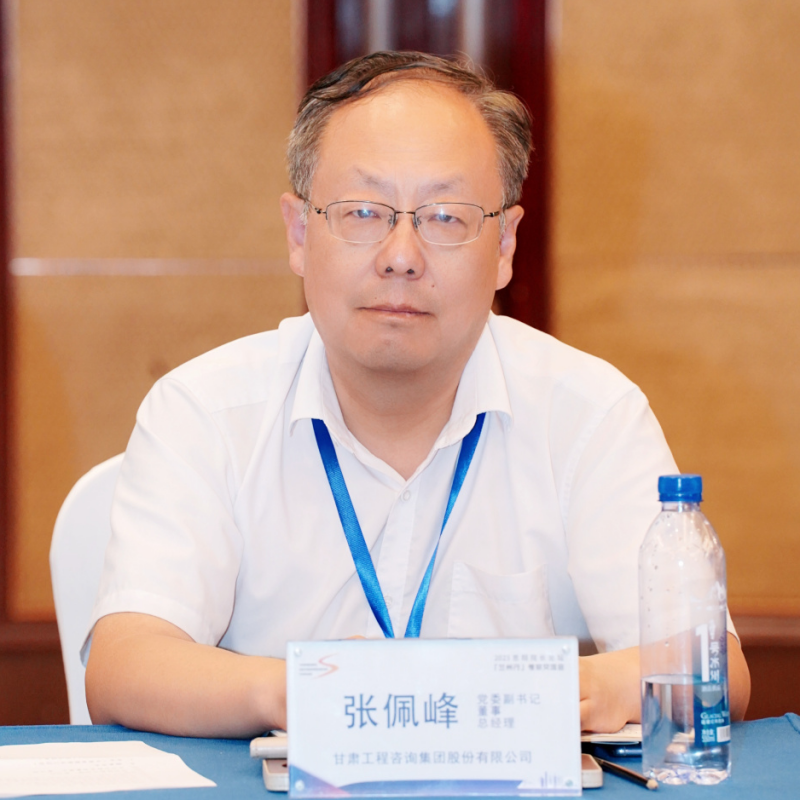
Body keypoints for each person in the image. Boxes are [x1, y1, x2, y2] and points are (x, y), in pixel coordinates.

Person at [85, 51, 750, 738]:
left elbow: (712, 668)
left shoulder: (590, 414)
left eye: (445, 217)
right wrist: (312, 693)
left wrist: (545, 691)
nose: (401, 256)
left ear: (505, 246)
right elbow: (123, 666)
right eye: (362, 212)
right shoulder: (203, 412)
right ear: (299, 233)